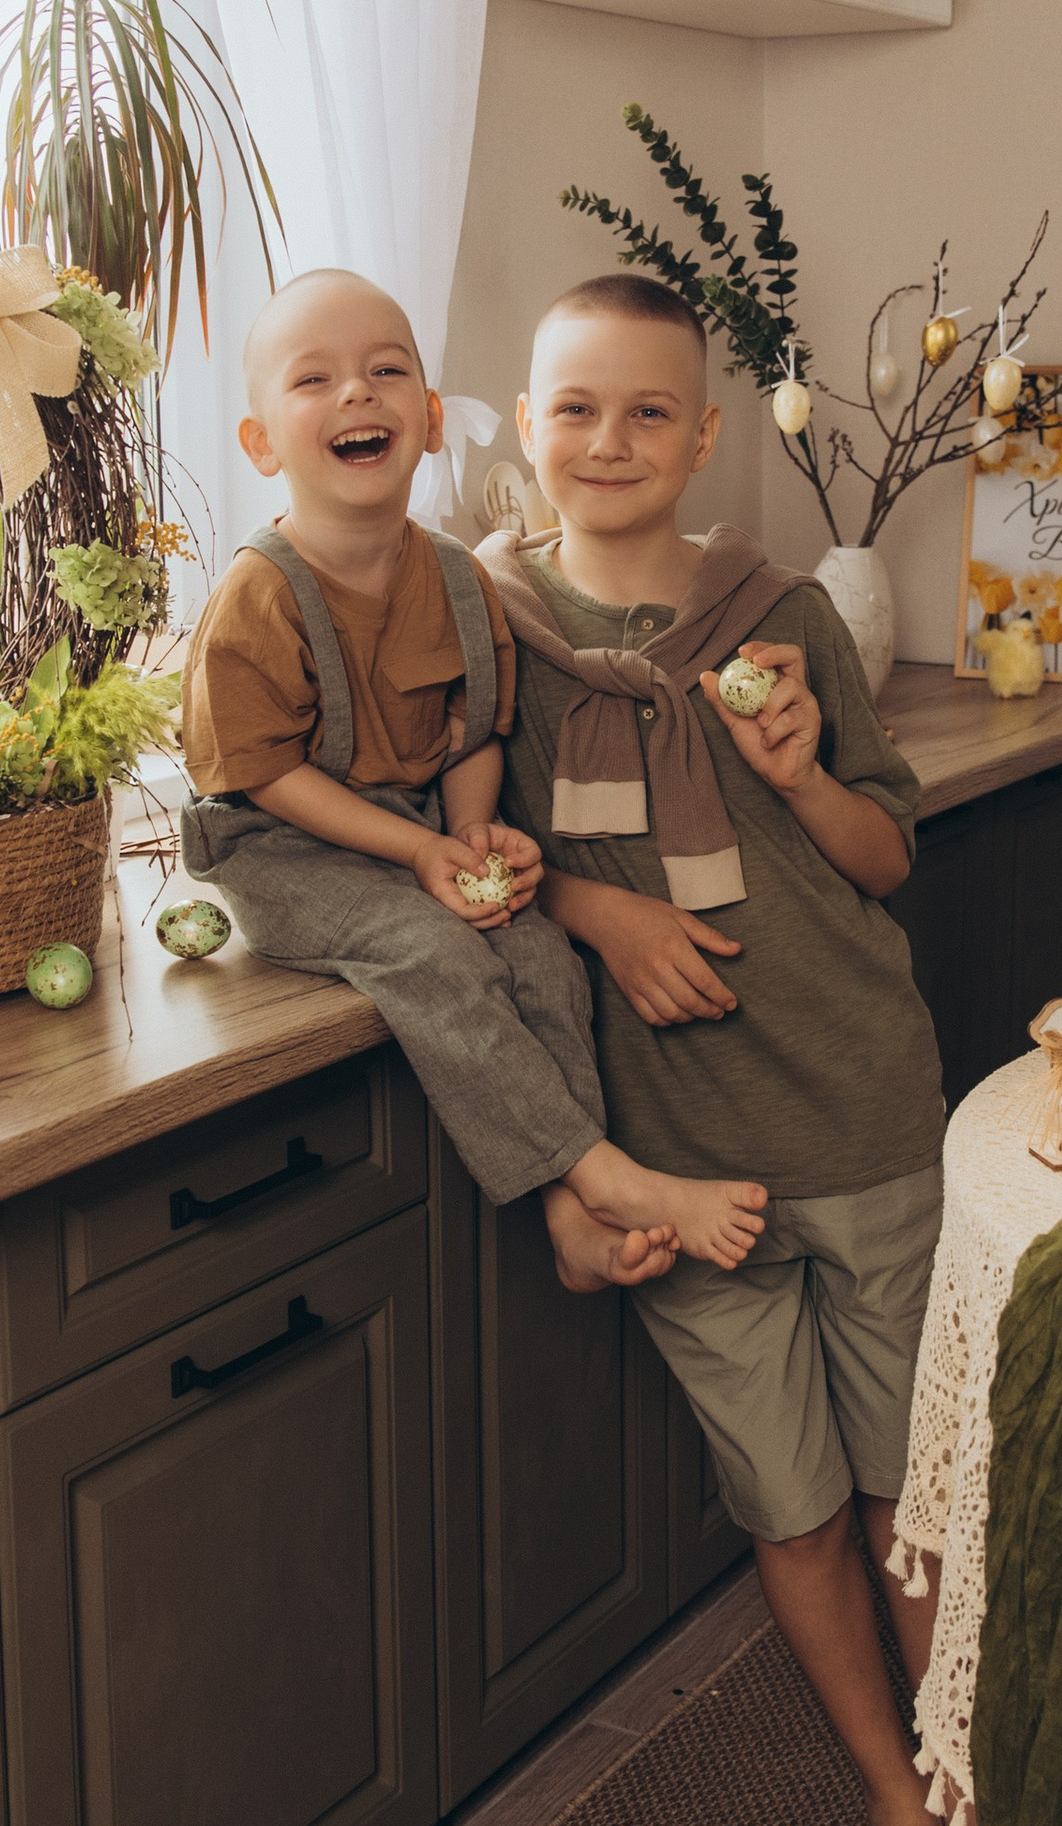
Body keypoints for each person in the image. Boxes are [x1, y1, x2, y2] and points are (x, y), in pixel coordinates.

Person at [482, 274, 953, 1826]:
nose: (607, 442)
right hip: (681, 1159)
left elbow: (885, 857)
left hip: (863, 1109)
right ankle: (894, 1799)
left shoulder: (786, 613)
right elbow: (472, 877)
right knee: (794, 1507)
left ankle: (976, 1789)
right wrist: (606, 922)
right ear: (526, 423)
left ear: (705, 434)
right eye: (574, 408)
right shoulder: (486, 636)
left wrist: (809, 766)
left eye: (646, 412)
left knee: (914, 1498)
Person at [178, 269, 769, 1295]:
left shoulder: (458, 578)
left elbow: (473, 733)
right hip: (281, 853)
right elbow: (264, 774)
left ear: (433, 420)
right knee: (432, 956)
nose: (357, 394)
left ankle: (566, 1215)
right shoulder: (258, 593)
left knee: (538, 954)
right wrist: (420, 852)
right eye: (314, 380)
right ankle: (604, 1176)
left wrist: (474, 830)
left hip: (416, 833)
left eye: (386, 371)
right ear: (262, 442)